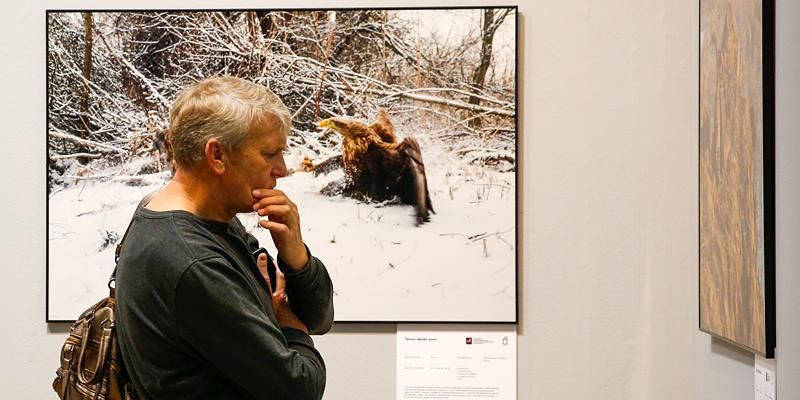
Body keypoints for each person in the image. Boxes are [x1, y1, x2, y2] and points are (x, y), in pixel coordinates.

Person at [115, 76, 334, 400]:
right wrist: (290, 328)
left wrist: (296, 256)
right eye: (270, 154)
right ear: (217, 155)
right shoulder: (192, 261)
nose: (282, 169)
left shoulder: (205, 219)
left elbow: (317, 316)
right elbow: (301, 387)